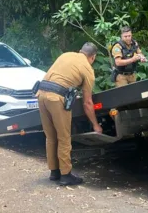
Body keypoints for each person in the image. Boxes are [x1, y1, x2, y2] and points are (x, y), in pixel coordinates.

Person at [36, 42, 103, 186]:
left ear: (80, 51)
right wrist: (96, 125)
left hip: (41, 95)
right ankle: (66, 175)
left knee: (51, 136)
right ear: (93, 57)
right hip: (57, 98)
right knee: (64, 137)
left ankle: (54, 172)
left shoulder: (66, 55)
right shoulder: (88, 69)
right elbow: (87, 103)